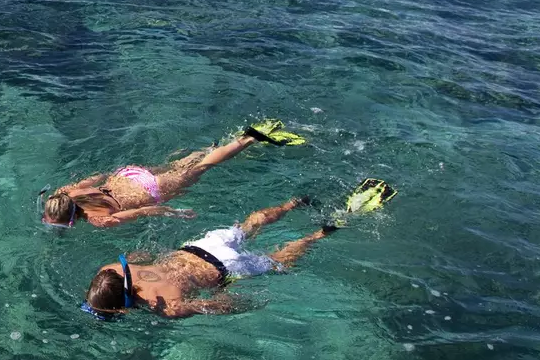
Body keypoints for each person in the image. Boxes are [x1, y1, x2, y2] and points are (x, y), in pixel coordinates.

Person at [79, 180, 395, 320]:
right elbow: (139, 256)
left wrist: (246, 304)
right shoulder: (113, 268)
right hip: (199, 247)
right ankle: (295, 202)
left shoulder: (168, 309)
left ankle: (322, 232)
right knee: (248, 226)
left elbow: (216, 305)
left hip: (225, 270)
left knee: (277, 262)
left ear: (120, 308)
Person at [39, 120, 307, 229]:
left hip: (149, 190)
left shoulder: (99, 220)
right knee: (182, 167)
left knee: (203, 168)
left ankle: (249, 139)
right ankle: (210, 147)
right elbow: (97, 176)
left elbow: (143, 212)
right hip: (128, 175)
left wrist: (176, 212)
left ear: (72, 221)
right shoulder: (65, 192)